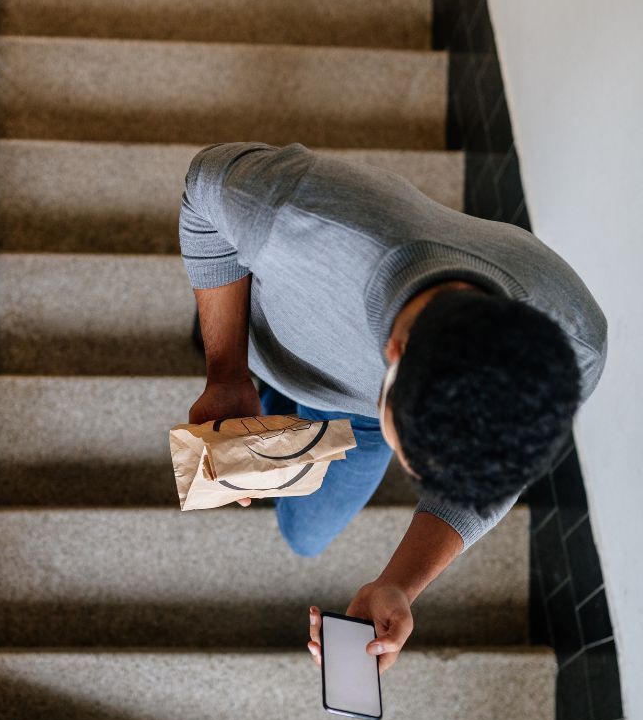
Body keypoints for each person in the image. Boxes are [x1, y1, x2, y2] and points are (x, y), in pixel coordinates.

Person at [179, 142, 607, 673]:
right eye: (415, 462)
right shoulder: (296, 212)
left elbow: (483, 479)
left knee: (304, 536)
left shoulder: (574, 349)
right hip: (265, 347)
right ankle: (231, 342)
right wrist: (226, 370)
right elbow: (202, 190)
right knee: (238, 347)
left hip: (355, 418)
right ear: (393, 358)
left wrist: (399, 584)